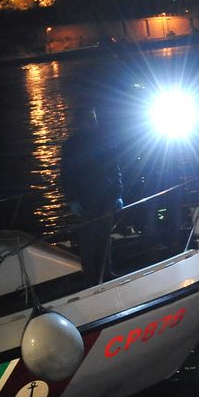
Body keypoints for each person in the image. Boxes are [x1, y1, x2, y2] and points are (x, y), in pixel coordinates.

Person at [60, 107, 122, 282]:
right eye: (90, 119)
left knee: (104, 238)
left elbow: (115, 170)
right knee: (88, 241)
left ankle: (107, 273)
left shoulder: (106, 141)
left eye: (94, 118)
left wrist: (117, 194)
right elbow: (67, 175)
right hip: (85, 200)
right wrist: (72, 199)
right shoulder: (71, 146)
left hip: (106, 198)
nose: (94, 122)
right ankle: (91, 278)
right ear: (81, 122)